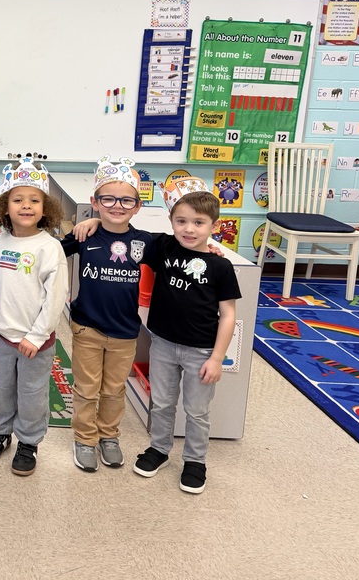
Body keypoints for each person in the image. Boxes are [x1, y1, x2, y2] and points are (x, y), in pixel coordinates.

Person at [132, 178, 240, 495]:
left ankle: (195, 461)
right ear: (171, 221)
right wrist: (96, 218)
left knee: (197, 411)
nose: (189, 229)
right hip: (162, 343)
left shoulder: (221, 267)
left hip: (202, 351)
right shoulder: (163, 246)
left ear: (214, 225)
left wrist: (217, 358)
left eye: (198, 222)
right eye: (181, 221)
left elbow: (229, 314)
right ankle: (159, 449)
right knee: (162, 403)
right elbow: (129, 235)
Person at [61, 156, 151, 472]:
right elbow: (52, 252)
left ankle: (108, 436)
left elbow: (178, 251)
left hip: (125, 332)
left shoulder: (145, 242)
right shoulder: (85, 235)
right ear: (95, 202)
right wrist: (88, 222)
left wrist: (210, 248)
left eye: (126, 200)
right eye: (108, 199)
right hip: (87, 327)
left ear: (138, 205)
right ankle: (85, 439)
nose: (117, 205)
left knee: (113, 389)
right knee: (86, 388)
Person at [0, 157, 68, 476]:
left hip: (35, 340)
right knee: (0, 388)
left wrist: (37, 335)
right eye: (18, 200)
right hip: (0, 334)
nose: (26, 206)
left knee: (32, 394)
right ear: (5, 206)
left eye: (34, 200)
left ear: (46, 208)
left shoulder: (50, 248)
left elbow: (56, 298)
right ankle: (0, 432)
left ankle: (29, 442)